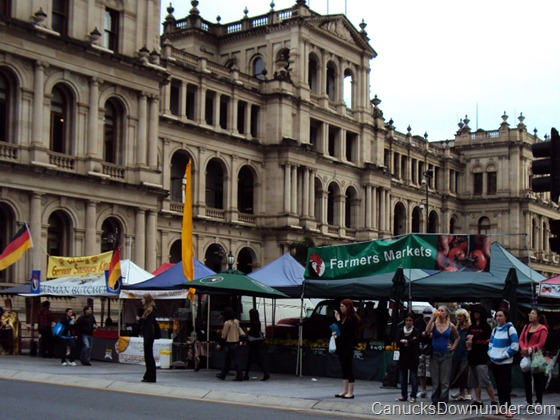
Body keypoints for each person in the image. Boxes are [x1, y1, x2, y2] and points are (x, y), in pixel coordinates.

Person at [425, 305, 460, 406]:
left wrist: (453, 346)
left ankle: (443, 401)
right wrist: (433, 317)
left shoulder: (450, 325)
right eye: (438, 310)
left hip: (446, 354)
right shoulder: (434, 324)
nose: (439, 312)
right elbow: (427, 331)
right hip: (434, 354)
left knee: (444, 380)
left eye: (442, 310)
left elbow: (457, 337)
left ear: (446, 313)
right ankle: (435, 400)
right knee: (435, 380)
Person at [488, 308, 518, 418]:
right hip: (494, 361)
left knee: (505, 386)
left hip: (505, 362)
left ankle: (508, 408)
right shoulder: (495, 330)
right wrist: (491, 353)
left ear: (506, 317)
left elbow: (515, 346)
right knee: (499, 387)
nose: (498, 318)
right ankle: (502, 407)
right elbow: (490, 343)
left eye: (501, 316)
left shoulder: (511, 329)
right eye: (497, 316)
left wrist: (504, 355)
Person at [466, 304, 497, 408]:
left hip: (482, 357)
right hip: (472, 355)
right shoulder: (471, 327)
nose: (476, 314)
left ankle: (493, 400)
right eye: (474, 313)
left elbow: (487, 341)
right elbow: (467, 339)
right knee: (474, 380)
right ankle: (478, 400)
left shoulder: (486, 327)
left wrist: (474, 339)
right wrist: (467, 342)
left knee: (484, 380)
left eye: (478, 313)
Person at [518, 308, 548, 406]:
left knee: (538, 380)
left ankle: (539, 402)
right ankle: (528, 401)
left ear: (538, 317)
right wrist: (523, 348)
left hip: (536, 357)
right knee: (527, 380)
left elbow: (541, 343)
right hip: (526, 355)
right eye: (530, 313)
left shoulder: (543, 328)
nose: (530, 315)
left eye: (533, 314)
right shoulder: (526, 327)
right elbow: (521, 339)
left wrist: (530, 349)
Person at [334, 299, 360, 399]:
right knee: (344, 367)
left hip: (348, 346)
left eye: (342, 306)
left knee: (348, 367)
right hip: (342, 345)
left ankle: (350, 391)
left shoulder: (352, 318)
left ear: (347, 307)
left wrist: (338, 319)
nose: (341, 308)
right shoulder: (346, 317)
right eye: (340, 306)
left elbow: (344, 330)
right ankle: (345, 390)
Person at [395, 313, 421, 403]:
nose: (408, 322)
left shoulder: (416, 331)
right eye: (406, 320)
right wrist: (408, 342)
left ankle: (413, 395)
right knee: (403, 378)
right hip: (403, 357)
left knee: (414, 377)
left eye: (410, 320)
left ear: (413, 321)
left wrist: (406, 341)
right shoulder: (400, 331)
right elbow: (398, 342)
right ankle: (404, 395)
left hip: (413, 357)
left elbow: (415, 342)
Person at [216, 307, 245, 382]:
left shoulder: (227, 323)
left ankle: (226, 375)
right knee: (234, 360)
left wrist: (220, 344)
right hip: (237, 343)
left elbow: (223, 335)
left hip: (230, 344)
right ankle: (226, 374)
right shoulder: (236, 321)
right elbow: (240, 332)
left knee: (228, 360)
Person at [450, 308, 471, 401]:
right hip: (456, 353)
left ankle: (469, 393)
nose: (459, 318)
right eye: (457, 316)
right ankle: (461, 392)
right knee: (458, 373)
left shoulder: (469, 328)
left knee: (466, 373)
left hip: (466, 354)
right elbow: (452, 339)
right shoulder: (456, 328)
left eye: (461, 316)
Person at [244, 308, 270, 381]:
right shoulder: (258, 322)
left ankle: (247, 375)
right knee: (257, 360)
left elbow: (251, 333)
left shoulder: (252, 323)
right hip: (257, 343)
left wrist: (248, 331)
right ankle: (265, 373)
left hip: (253, 343)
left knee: (252, 359)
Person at [137, 293, 158, 383]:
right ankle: (148, 375)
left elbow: (149, 325)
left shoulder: (150, 310)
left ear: (147, 299)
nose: (142, 300)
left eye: (143, 299)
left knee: (148, 356)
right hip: (148, 335)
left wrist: (147, 337)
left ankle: (151, 376)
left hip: (149, 335)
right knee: (148, 356)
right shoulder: (147, 310)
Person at [415, 306, 434, 398]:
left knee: (432, 371)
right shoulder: (418, 322)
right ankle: (423, 389)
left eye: (429, 316)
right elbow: (415, 335)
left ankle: (435, 390)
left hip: (432, 348)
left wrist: (432, 335)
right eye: (426, 316)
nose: (427, 318)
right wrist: (421, 334)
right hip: (421, 348)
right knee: (421, 370)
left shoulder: (435, 322)